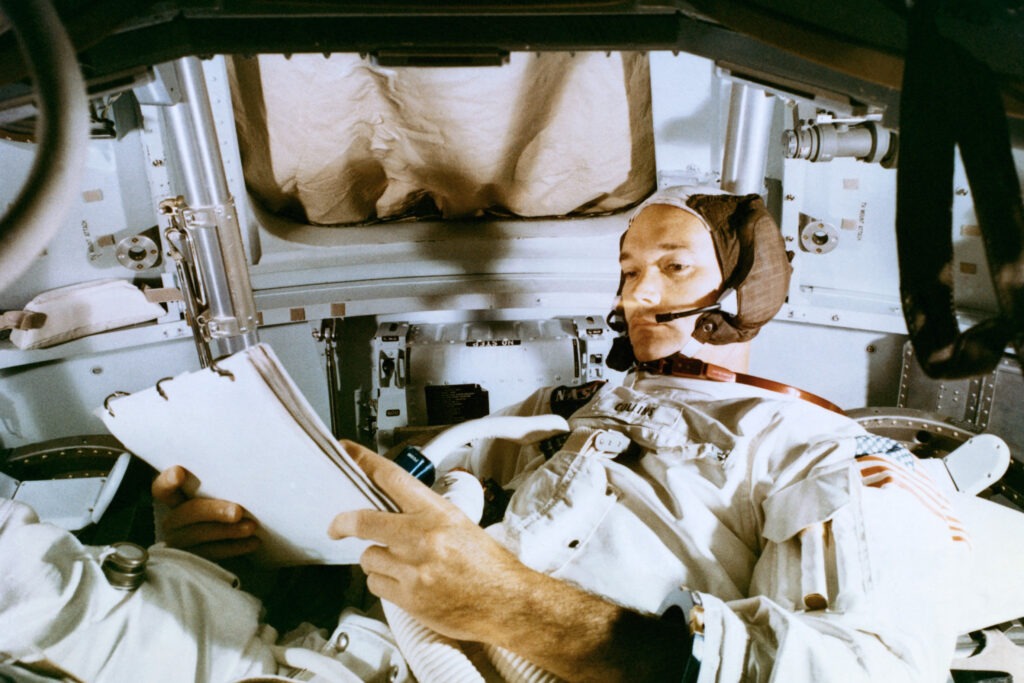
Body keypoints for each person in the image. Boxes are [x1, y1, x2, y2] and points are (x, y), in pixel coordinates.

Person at [153, 186, 971, 682]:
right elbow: (414, 491)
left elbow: (872, 666)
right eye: (625, 270)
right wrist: (239, 535)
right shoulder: (568, 405)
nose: (634, 294)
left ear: (746, 285)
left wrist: (512, 608)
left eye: (673, 267)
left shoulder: (811, 443)